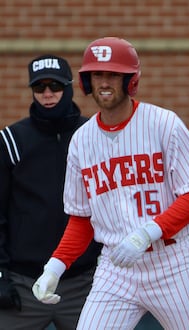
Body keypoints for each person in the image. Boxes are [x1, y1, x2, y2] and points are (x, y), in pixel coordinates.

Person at [31, 37, 189, 330]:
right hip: (114, 268)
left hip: (170, 263)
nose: (104, 82)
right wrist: (55, 266)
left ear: (130, 80)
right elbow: (81, 219)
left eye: (113, 74)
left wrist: (146, 233)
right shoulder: (81, 140)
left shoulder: (163, 123)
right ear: (87, 82)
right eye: (97, 74)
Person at [0, 54, 102, 330]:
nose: (47, 94)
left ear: (69, 87)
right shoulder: (11, 141)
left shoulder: (93, 134)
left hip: (84, 282)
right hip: (24, 284)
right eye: (39, 87)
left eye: (54, 86)